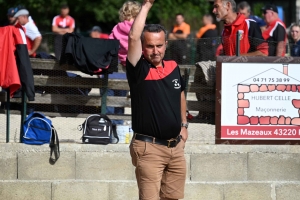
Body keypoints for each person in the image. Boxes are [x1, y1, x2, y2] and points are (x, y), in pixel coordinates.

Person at [127, 0, 188, 199]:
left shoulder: (173, 67)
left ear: (166, 45)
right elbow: (133, 37)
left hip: (176, 147)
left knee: (173, 198)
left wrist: (184, 125)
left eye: (159, 45)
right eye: (150, 46)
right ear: (143, 48)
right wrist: (146, 6)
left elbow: (179, 94)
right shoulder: (138, 70)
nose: (155, 50)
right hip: (149, 148)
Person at [109, 0, 141, 68]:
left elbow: (110, 44)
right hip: (140, 61)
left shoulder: (117, 28)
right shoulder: (142, 27)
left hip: (124, 61)